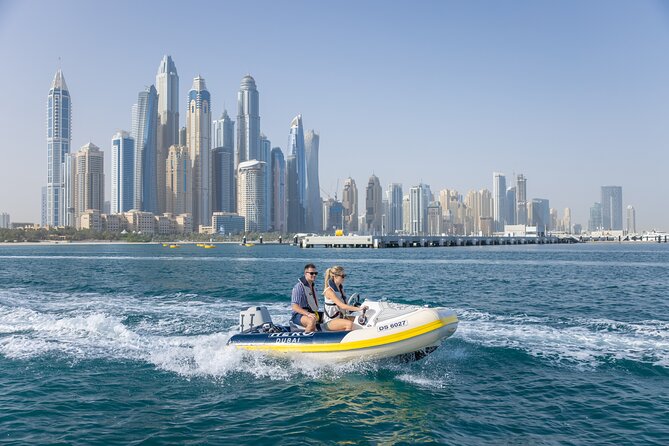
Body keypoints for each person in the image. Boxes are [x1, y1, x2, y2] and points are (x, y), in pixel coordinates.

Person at [322, 266, 367, 331]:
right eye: (342, 276)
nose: (344, 278)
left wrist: (359, 307)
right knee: (349, 324)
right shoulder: (329, 291)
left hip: (340, 318)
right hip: (329, 322)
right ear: (335, 276)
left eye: (344, 275)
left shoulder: (340, 289)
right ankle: (347, 339)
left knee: (359, 320)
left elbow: (345, 305)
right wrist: (359, 309)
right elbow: (342, 306)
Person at [290, 263, 322, 333]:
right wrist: (308, 314)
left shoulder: (313, 287)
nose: (314, 275)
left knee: (327, 317)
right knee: (311, 321)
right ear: (305, 273)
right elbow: (294, 306)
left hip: (312, 312)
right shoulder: (299, 287)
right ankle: (306, 338)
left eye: (315, 273)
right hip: (298, 315)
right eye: (311, 273)